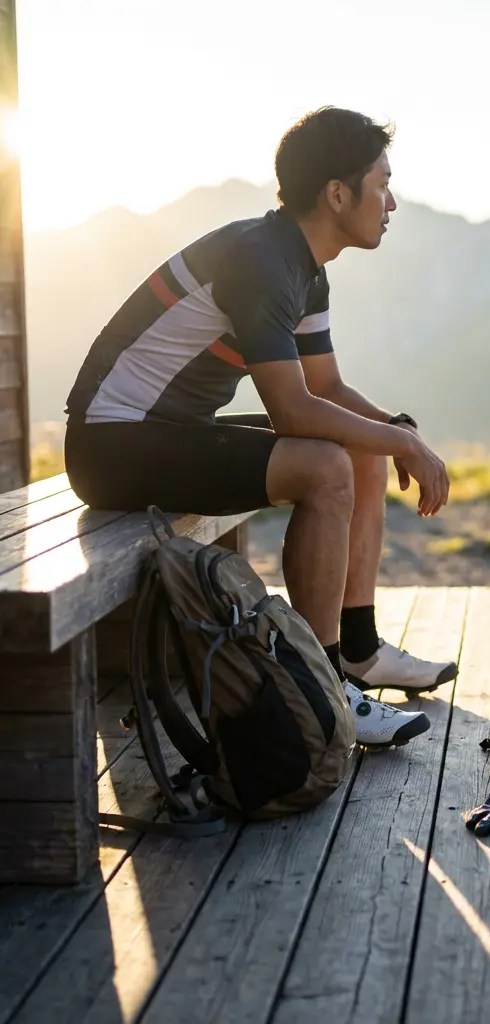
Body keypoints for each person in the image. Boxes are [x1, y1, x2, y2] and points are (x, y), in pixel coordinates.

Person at [63, 106, 455, 749]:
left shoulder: (303, 266)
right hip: (114, 444)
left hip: (164, 432)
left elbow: (326, 389)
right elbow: (294, 412)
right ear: (337, 194)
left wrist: (394, 428)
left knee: (356, 448)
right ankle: (325, 690)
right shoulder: (260, 260)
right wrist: (404, 443)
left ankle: (356, 650)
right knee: (328, 464)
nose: (392, 201)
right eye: (382, 183)